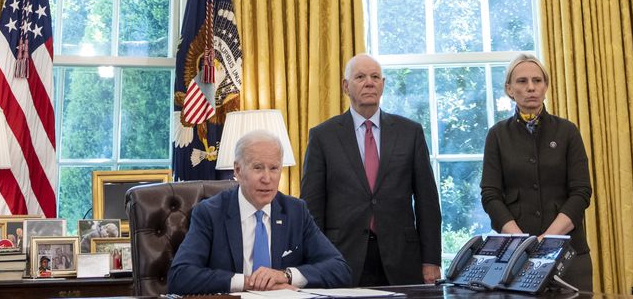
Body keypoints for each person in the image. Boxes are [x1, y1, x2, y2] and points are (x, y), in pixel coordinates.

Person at [302, 54, 443, 285]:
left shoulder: (410, 132)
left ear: (383, 84)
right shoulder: (322, 136)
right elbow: (312, 206)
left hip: (401, 258)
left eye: (375, 77)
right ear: (346, 86)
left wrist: (431, 260)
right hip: (340, 258)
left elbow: (427, 201)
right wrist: (313, 261)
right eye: (360, 77)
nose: (369, 82)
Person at [167, 128, 352, 294]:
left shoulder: (296, 211)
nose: (267, 178)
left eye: (274, 168)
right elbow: (180, 276)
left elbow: (340, 269)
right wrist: (249, 282)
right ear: (238, 171)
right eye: (258, 168)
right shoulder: (209, 213)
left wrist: (286, 275)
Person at [480, 53, 592, 292]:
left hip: (569, 253)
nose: (530, 87)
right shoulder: (498, 135)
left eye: (537, 80)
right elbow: (490, 195)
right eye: (522, 81)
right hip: (515, 255)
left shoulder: (567, 131)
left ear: (546, 86)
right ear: (509, 89)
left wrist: (545, 241)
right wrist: (523, 242)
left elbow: (581, 193)